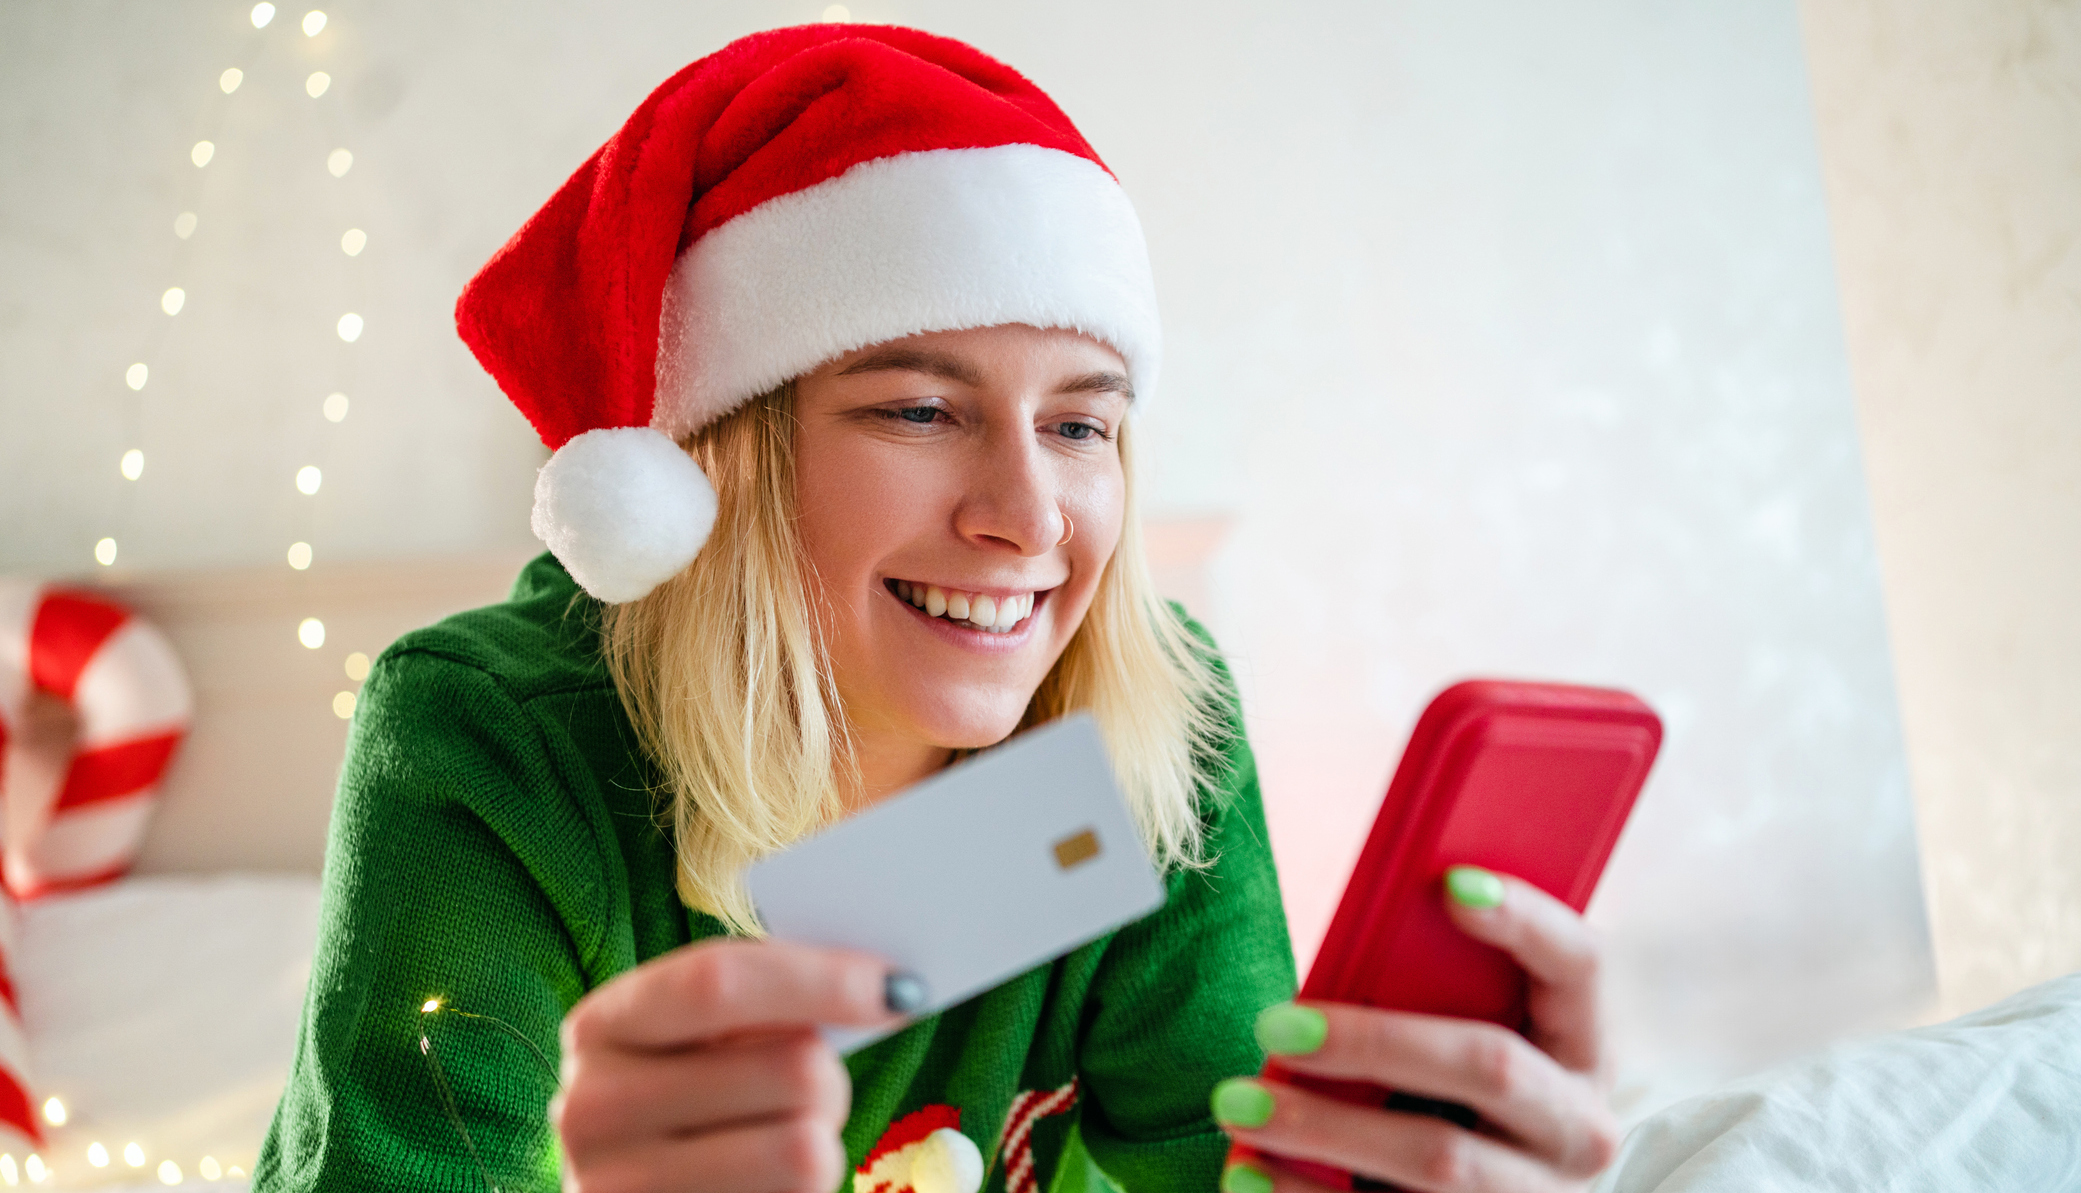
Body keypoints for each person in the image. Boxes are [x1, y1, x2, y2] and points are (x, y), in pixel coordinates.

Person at [255, 24, 1619, 1193]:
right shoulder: (496, 743)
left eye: (1079, 425)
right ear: (720, 463)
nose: (1030, 518)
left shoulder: (1147, 722)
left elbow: (1224, 1161)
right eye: (919, 409)